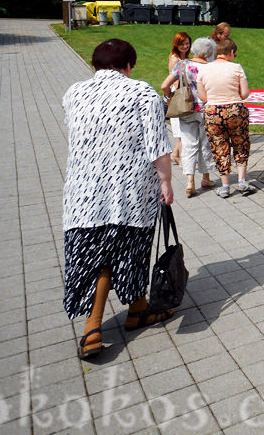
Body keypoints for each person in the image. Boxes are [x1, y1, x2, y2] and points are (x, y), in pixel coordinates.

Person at [61, 39, 176, 360]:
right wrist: (166, 181)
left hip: (83, 194)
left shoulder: (73, 93)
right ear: (128, 66)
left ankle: (137, 309)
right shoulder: (143, 94)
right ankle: (92, 328)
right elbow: (158, 146)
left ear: (94, 66)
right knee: (122, 250)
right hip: (130, 192)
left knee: (93, 252)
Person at [161, 37, 216, 197]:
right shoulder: (210, 68)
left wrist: (170, 96)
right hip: (205, 109)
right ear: (209, 52)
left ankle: (190, 182)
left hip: (186, 109)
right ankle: (206, 178)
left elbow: (165, 85)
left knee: (189, 144)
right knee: (205, 144)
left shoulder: (182, 65)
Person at [198, 37, 252, 198]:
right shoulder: (236, 68)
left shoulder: (204, 69)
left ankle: (225, 186)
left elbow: (203, 96)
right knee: (241, 144)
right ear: (231, 52)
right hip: (235, 110)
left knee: (219, 148)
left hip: (213, 113)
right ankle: (242, 181)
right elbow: (244, 94)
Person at [167, 32, 192, 166]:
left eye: (187, 43)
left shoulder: (188, 58)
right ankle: (183, 161)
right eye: (182, 44)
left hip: (186, 93)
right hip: (179, 94)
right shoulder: (174, 58)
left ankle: (175, 154)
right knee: (182, 131)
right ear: (176, 44)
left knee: (184, 129)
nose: (185, 46)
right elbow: (174, 79)